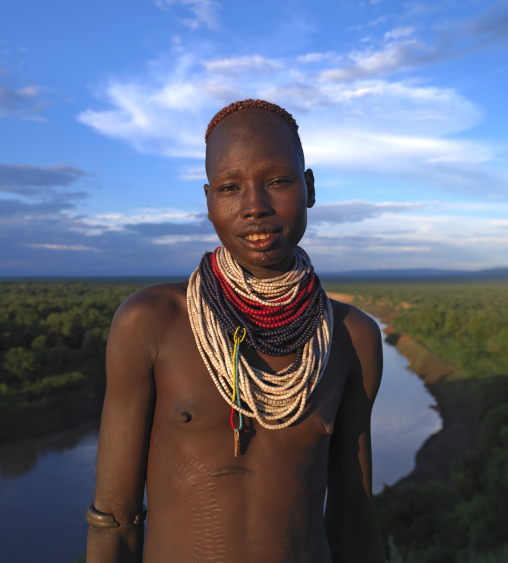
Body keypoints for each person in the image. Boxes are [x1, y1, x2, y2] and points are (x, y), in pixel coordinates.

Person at [86, 99, 385, 562]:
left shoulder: (353, 339)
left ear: (308, 188)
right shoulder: (151, 322)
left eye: (278, 181)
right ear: (209, 202)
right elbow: (115, 519)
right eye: (230, 187)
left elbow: (353, 519)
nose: (254, 207)